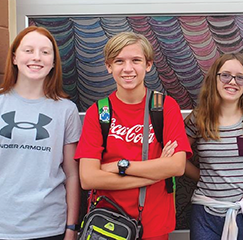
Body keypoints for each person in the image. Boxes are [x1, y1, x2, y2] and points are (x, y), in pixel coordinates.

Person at [74, 32, 192, 240]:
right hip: (107, 226)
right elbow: (88, 178)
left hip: (154, 226)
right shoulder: (99, 112)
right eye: (119, 61)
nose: (128, 69)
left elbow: (176, 166)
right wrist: (156, 172)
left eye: (136, 60)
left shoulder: (164, 107)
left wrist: (120, 166)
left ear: (148, 65)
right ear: (109, 67)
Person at [0, 26, 82, 239]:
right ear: (14, 57)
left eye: (45, 52)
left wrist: (71, 228)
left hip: (50, 228)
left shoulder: (66, 110)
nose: (36, 57)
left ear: (54, 62)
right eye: (28, 50)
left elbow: (72, 174)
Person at [183, 53, 243, 239]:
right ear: (214, 78)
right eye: (225, 75)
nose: (232, 81)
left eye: (240, 77)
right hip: (205, 214)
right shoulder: (199, 118)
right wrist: (203, 177)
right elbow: (178, 159)